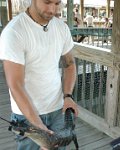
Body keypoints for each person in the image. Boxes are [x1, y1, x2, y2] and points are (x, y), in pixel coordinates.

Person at [0, 0, 78, 149]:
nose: (52, 9)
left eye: (57, 3)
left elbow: (70, 64)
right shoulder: (14, 32)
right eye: (47, 2)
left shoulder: (61, 27)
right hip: (27, 115)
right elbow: (15, 84)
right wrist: (39, 127)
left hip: (57, 108)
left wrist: (68, 96)